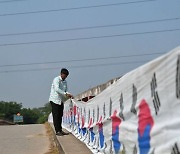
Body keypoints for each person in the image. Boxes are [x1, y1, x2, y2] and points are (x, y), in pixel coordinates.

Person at [49, 68, 73, 136]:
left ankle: (60, 129)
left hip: (61, 100)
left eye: (66, 76)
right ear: (61, 74)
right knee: (56, 115)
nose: (65, 77)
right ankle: (57, 131)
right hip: (54, 100)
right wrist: (65, 94)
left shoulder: (65, 82)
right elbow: (57, 89)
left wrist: (69, 94)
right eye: (64, 75)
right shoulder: (56, 79)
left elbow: (65, 91)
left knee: (60, 115)